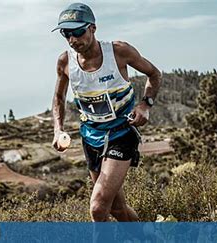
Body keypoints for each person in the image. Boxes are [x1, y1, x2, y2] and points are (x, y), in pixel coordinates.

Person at [51, 3, 161, 222]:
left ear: (92, 28)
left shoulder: (119, 52)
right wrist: (57, 128)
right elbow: (58, 97)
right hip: (91, 137)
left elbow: (154, 74)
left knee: (98, 206)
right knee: (117, 209)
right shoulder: (65, 61)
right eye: (66, 33)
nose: (72, 39)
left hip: (122, 133)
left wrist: (145, 105)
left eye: (78, 32)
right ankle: (144, 238)